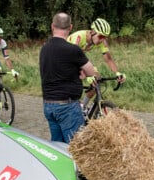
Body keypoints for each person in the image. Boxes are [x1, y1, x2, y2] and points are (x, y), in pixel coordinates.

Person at [39, 13, 99, 143]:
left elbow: (58, 69)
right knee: (77, 148)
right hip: (67, 107)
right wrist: (83, 72)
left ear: (52, 26)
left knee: (57, 146)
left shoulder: (44, 48)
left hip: (48, 104)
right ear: (70, 27)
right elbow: (91, 71)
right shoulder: (73, 50)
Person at [67, 18, 126, 106]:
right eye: (101, 36)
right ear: (93, 31)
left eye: (105, 37)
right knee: (77, 78)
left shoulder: (102, 42)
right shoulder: (78, 37)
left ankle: (82, 107)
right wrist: (86, 74)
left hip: (79, 57)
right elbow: (74, 57)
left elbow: (108, 59)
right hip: (65, 59)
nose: (102, 40)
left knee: (96, 79)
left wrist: (117, 73)